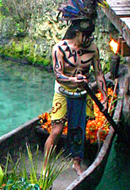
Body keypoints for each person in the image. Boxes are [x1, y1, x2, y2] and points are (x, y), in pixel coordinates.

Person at [44, 0, 108, 175]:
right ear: (77, 33)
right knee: (56, 130)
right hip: (63, 93)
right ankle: (45, 167)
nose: (88, 39)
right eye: (85, 35)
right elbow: (58, 75)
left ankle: (76, 163)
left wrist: (104, 97)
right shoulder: (59, 49)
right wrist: (73, 80)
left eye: (90, 35)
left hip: (81, 94)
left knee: (79, 131)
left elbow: (99, 74)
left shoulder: (93, 49)